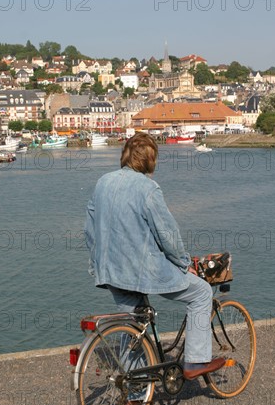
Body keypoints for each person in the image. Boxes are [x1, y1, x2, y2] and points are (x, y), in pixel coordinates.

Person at [84, 132, 225, 380]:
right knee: (202, 293)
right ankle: (195, 362)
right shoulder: (148, 188)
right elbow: (167, 234)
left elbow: (89, 230)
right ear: (149, 160)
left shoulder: (102, 182)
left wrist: (99, 262)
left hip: (110, 270)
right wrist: (184, 264)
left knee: (134, 322)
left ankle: (134, 391)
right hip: (143, 271)